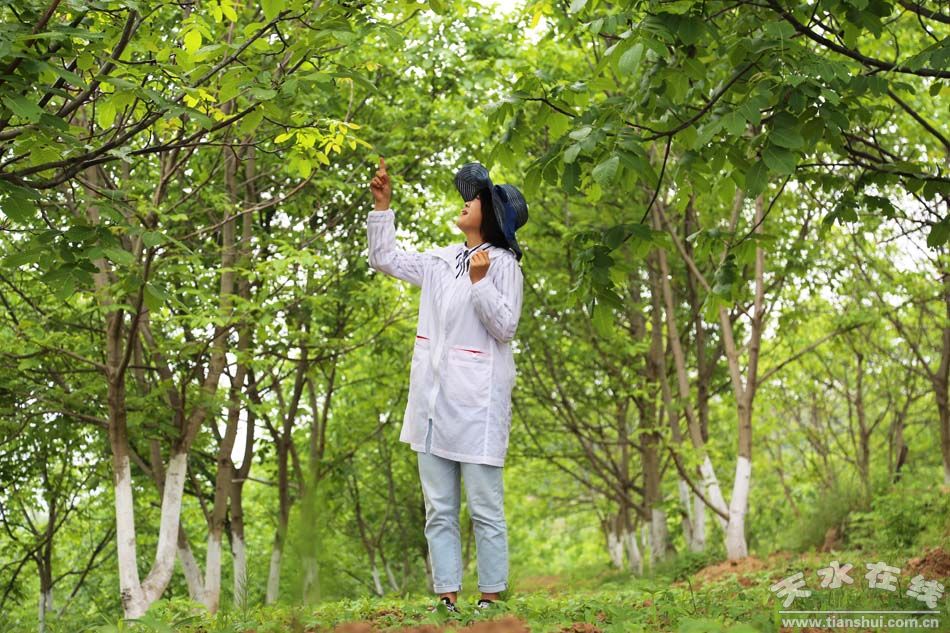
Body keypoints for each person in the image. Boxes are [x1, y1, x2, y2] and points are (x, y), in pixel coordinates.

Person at [366, 157, 528, 614]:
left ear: (492, 216)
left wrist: (480, 283)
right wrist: (382, 208)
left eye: (476, 199)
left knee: (484, 508)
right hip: (432, 405)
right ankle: (446, 597)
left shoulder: (504, 266)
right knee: (438, 508)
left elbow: (505, 327)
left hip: (477, 406)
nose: (466, 202)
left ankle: (490, 597)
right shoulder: (441, 261)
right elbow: (384, 259)